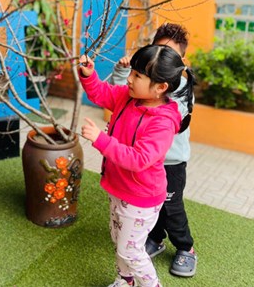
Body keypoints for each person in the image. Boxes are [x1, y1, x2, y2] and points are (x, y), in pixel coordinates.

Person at [78, 44, 195, 287]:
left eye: (138, 75)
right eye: (132, 72)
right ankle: (125, 280)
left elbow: (139, 159)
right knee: (119, 241)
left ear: (161, 87)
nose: (129, 79)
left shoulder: (163, 123)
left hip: (141, 198)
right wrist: (89, 76)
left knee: (130, 251)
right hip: (119, 189)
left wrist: (101, 139)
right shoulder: (128, 97)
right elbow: (101, 93)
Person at [111, 23, 197, 278]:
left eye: (170, 54)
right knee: (150, 206)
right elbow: (120, 95)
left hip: (170, 162)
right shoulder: (142, 83)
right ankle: (155, 238)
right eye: (159, 50)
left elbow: (164, 117)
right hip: (142, 163)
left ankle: (185, 247)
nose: (163, 58)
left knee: (171, 208)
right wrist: (125, 72)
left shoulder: (179, 90)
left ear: (180, 62)